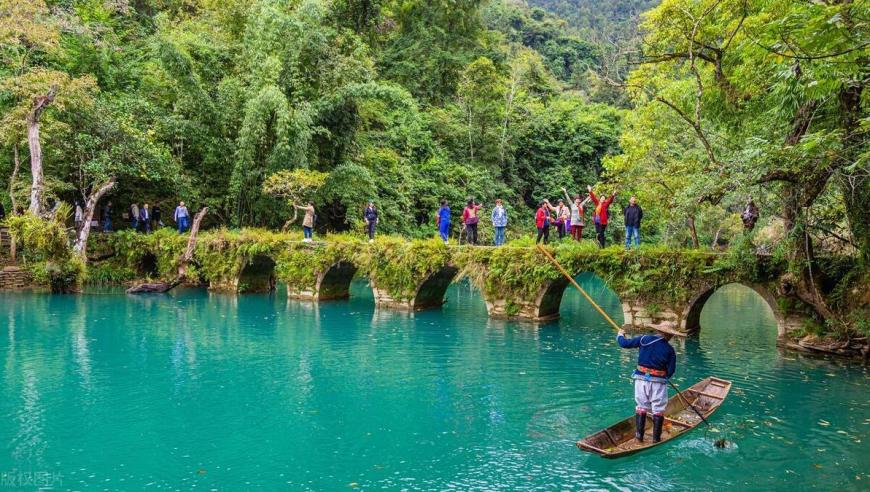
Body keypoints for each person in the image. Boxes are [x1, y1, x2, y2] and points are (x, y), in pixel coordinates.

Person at [617, 325, 678, 443]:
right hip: (658, 383)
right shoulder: (670, 350)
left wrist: (620, 335)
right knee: (658, 408)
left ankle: (639, 437)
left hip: (640, 380)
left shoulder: (643, 339)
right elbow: (670, 371)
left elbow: (624, 343)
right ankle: (656, 439)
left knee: (641, 406)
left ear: (658, 331)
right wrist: (664, 376)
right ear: (670, 335)